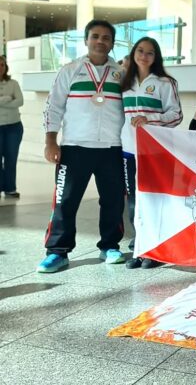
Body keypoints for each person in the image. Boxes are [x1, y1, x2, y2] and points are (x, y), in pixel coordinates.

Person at [38, 19, 126, 273]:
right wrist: (51, 141)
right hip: (74, 147)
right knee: (65, 201)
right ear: (86, 40)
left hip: (112, 147)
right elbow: (53, 107)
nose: (100, 41)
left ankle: (109, 246)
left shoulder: (121, 74)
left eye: (106, 37)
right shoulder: (70, 70)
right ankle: (57, 251)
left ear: (112, 43)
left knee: (113, 201)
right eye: (95, 36)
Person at [120, 37, 183, 269]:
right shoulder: (124, 83)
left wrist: (149, 119)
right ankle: (141, 247)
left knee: (156, 199)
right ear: (133, 53)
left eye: (149, 52)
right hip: (129, 150)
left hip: (156, 151)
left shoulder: (165, 82)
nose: (144, 56)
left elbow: (176, 115)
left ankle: (157, 250)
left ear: (156, 57)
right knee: (134, 200)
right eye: (140, 51)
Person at [0, 56, 24, 199]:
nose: (0, 67)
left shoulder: (13, 83)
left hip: (13, 127)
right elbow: (13, 101)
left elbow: (20, 101)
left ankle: (10, 188)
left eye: (2, 64)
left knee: (11, 158)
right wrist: (7, 98)